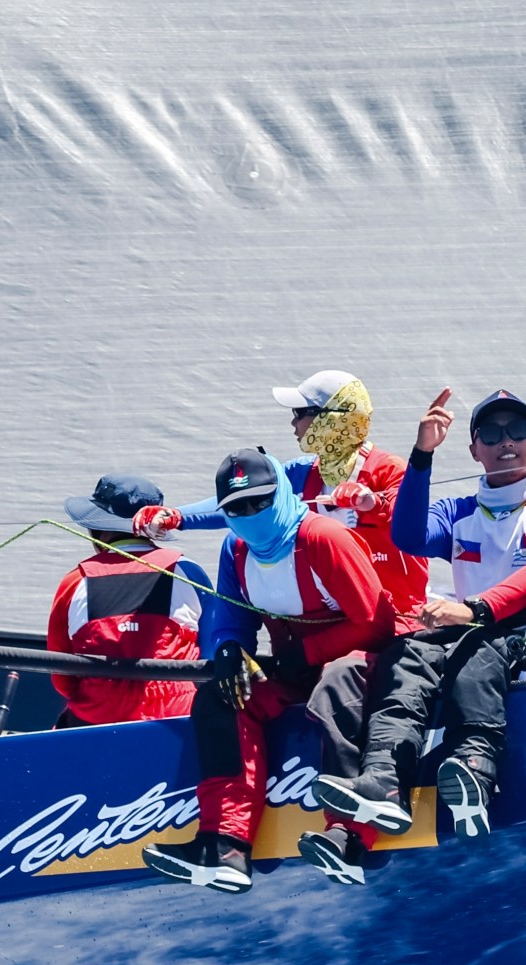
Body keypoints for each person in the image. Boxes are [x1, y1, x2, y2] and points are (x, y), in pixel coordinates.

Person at [302, 389, 526, 882]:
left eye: (516, 431)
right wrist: (422, 455)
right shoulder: (459, 509)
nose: (505, 441)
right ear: (474, 450)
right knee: (407, 652)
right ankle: (382, 781)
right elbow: (408, 536)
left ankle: (475, 772)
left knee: (479, 648)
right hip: (477, 628)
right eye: (490, 433)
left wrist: (473, 608)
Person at [142, 447, 395, 893]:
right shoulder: (236, 549)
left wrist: (310, 652)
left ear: (280, 493)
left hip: (357, 659)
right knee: (222, 697)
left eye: (260, 501)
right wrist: (228, 650)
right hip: (295, 664)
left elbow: (376, 624)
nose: (250, 513)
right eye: (237, 508)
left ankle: (350, 836)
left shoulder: (322, 538)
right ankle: (225, 847)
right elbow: (231, 618)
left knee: (338, 681)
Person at [137, 370, 428, 617]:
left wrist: (371, 502)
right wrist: (176, 516)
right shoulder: (304, 472)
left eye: (300, 413)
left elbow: (414, 521)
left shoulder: (389, 469)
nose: (293, 423)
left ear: (332, 419)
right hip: (335, 619)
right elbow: (244, 498)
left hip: (396, 620)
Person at [45, 475, 208, 727]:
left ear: (100, 527)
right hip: (177, 717)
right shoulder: (189, 571)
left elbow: (61, 676)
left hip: (97, 716)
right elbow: (213, 648)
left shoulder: (74, 581)